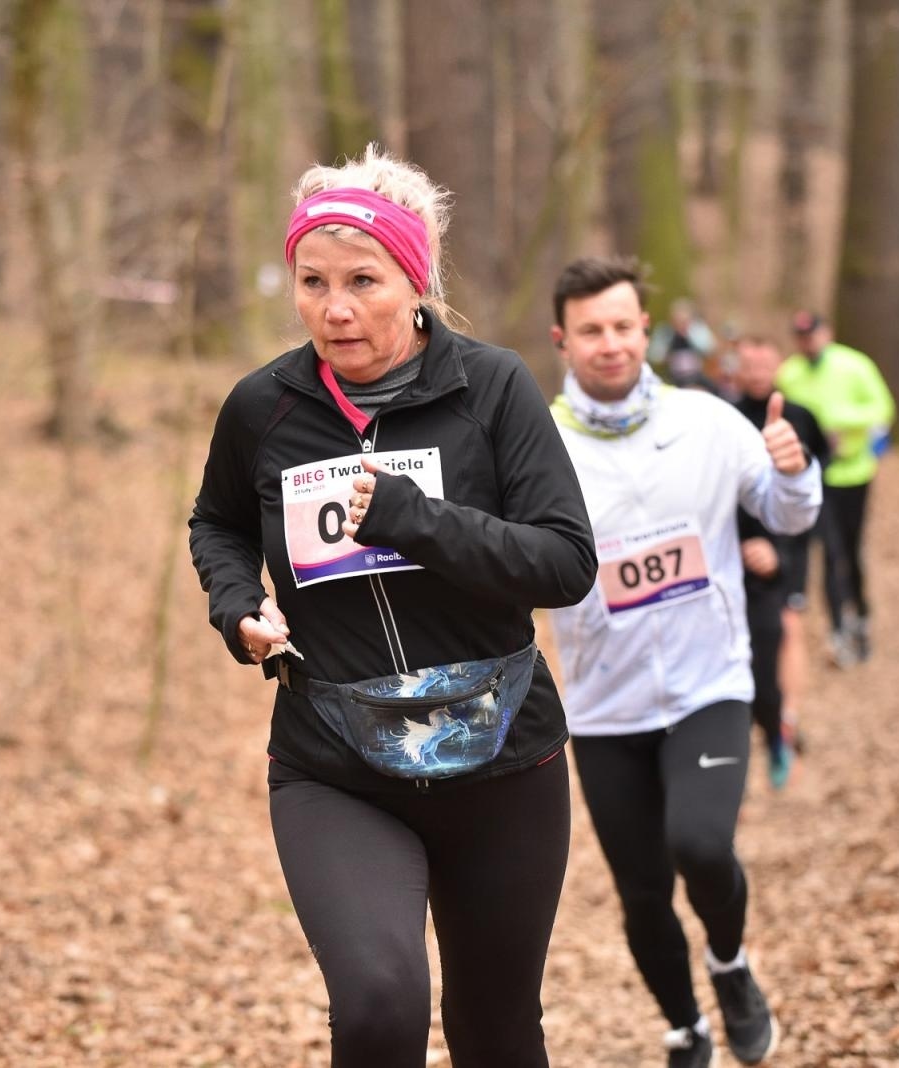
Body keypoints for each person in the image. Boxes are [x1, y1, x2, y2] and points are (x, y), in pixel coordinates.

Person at [188, 145, 597, 1068]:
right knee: (378, 1004)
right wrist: (236, 604)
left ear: (416, 283)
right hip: (335, 760)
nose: (335, 308)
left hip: (501, 755)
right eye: (313, 282)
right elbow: (217, 522)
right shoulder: (262, 408)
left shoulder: (493, 389)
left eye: (362, 281)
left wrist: (418, 520)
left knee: (496, 1031)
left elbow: (564, 562)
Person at [546, 257, 822, 1068]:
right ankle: (685, 1026)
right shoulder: (539, 445)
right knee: (642, 892)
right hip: (604, 706)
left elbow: (785, 513)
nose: (609, 344)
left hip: (709, 685)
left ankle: (730, 964)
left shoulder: (706, 420)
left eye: (622, 327)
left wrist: (793, 469)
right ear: (563, 340)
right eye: (591, 330)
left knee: (701, 845)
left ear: (647, 332)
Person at [730, 336, 830, 789]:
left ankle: (783, 723)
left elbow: (816, 477)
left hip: (788, 547)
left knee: (786, 626)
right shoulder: (724, 416)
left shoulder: (800, 416)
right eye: (748, 365)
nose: (756, 373)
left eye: (763, 364)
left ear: (778, 365)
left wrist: (785, 549)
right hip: (736, 553)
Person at [776, 311, 896, 667]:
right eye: (801, 336)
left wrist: (839, 421)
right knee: (830, 553)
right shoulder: (788, 374)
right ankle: (838, 629)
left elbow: (883, 409)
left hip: (854, 473)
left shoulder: (855, 365)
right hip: (813, 477)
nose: (807, 341)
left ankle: (860, 614)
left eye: (812, 334)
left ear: (826, 333)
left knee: (850, 550)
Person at [647, 297, 719, 391]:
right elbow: (654, 355)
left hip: (697, 376)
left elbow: (710, 349)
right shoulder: (666, 333)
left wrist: (690, 334)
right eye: (677, 320)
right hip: (673, 377)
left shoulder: (697, 330)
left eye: (684, 320)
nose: (681, 324)